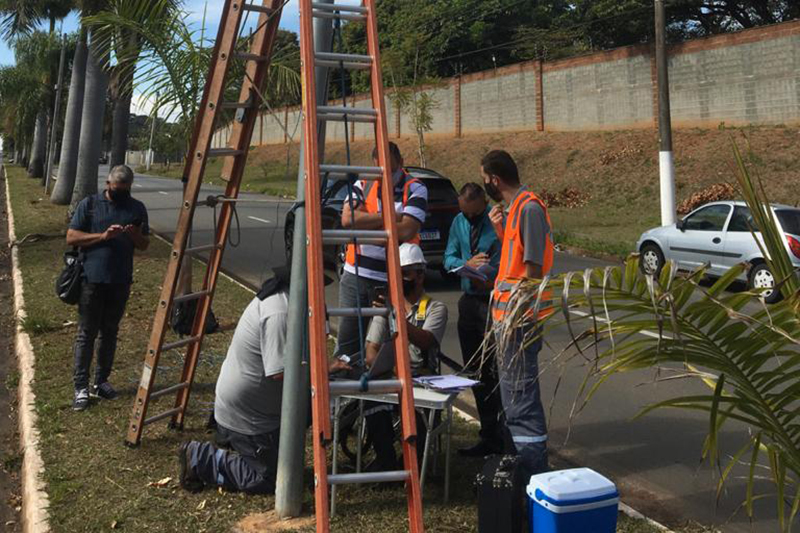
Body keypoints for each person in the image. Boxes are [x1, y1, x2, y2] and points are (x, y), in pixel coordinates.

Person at [178, 268, 348, 494]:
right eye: (320, 281)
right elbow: (280, 373)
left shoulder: (299, 303)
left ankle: (253, 447)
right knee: (270, 480)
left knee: (317, 402)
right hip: (249, 416)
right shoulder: (279, 310)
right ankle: (200, 457)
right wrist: (325, 368)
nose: (322, 288)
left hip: (262, 408)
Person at [482, 150, 554, 475]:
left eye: (485, 179)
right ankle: (524, 476)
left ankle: (532, 479)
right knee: (515, 404)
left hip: (520, 323)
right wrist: (499, 230)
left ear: (494, 180)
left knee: (522, 406)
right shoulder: (515, 211)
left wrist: (514, 317)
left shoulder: (529, 209)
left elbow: (533, 272)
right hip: (509, 322)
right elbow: (514, 264)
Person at [66, 165, 149, 411]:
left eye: (125, 190)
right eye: (116, 189)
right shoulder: (90, 205)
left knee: (110, 333)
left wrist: (134, 234)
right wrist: (102, 237)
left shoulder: (136, 208)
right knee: (87, 333)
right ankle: (80, 386)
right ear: (108, 184)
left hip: (120, 280)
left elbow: (144, 245)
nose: (120, 193)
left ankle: (101, 381)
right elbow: (71, 237)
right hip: (91, 279)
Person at [336, 142, 428, 361]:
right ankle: (348, 393)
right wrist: (392, 216)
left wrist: (366, 228)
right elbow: (348, 219)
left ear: (401, 162)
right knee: (347, 348)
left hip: (393, 280)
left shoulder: (415, 188)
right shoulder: (363, 183)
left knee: (384, 349)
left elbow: (407, 230)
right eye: (382, 169)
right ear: (374, 164)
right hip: (355, 277)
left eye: (392, 169)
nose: (387, 175)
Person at [361, 243, 448, 472]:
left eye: (405, 274)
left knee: (417, 415)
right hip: (391, 375)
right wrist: (382, 365)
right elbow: (371, 350)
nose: (399, 280)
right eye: (397, 274)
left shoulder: (435, 308)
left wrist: (397, 316)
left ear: (420, 275)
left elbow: (426, 340)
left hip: (422, 379)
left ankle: (414, 461)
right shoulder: (387, 307)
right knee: (371, 401)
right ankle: (385, 458)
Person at [443, 183, 505, 457]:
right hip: (469, 302)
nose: (468, 218)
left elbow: (507, 257)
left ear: (482, 203)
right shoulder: (458, 222)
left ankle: (504, 436)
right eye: (464, 214)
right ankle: (488, 435)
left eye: (473, 214)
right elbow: (448, 258)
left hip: (493, 302)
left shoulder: (496, 220)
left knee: (494, 372)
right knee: (476, 373)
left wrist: (488, 267)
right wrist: (467, 263)